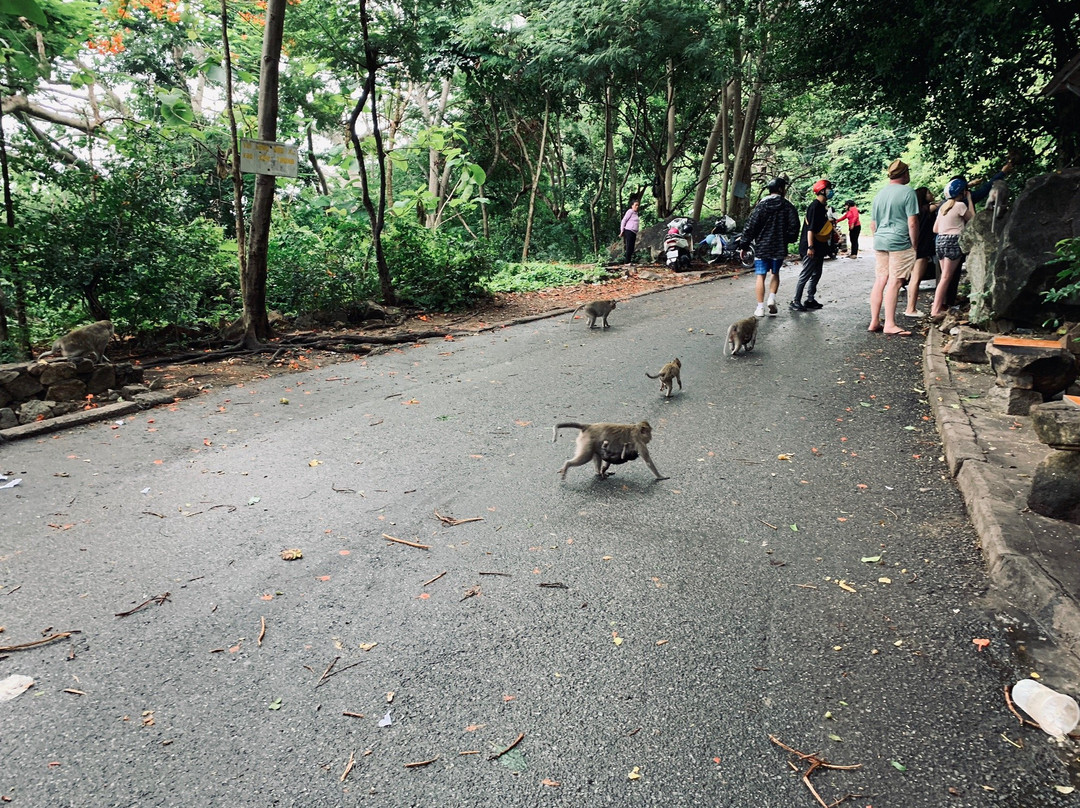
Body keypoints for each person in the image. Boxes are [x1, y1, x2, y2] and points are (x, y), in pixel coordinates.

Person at [868, 159, 919, 336]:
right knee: (895, 281)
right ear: (904, 174)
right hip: (900, 241)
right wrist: (914, 244)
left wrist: (879, 239)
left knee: (880, 279)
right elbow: (912, 222)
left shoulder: (879, 195)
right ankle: (889, 324)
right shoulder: (908, 193)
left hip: (881, 241)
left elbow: (873, 225)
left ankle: (874, 320)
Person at [739, 177, 800, 317]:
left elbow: (750, 226)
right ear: (780, 189)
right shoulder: (788, 206)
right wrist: (788, 239)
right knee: (775, 273)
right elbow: (794, 225)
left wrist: (744, 245)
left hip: (762, 247)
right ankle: (771, 298)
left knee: (760, 276)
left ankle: (760, 308)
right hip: (779, 246)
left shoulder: (761, 206)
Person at [930, 178, 974, 321]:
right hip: (953, 241)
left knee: (944, 276)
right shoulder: (960, 205)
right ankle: (935, 309)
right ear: (961, 192)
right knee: (946, 277)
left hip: (940, 242)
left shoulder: (942, 207)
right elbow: (973, 219)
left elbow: (935, 229)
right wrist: (970, 199)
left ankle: (938, 306)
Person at [791, 179, 833, 311]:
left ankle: (810, 299)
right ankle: (795, 301)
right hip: (811, 246)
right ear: (822, 190)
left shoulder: (823, 207)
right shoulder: (814, 206)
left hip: (819, 246)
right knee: (806, 274)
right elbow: (810, 229)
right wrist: (810, 247)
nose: (831, 191)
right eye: (828, 188)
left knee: (817, 273)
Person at [904, 186, 938, 318]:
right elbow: (946, 201)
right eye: (929, 192)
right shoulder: (927, 209)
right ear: (923, 196)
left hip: (911, 246)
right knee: (915, 279)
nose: (932, 194)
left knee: (911, 278)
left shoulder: (914, 211)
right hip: (922, 247)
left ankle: (909, 307)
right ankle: (910, 309)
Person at [620, 199, 640, 264]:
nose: (637, 206)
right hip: (629, 230)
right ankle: (627, 262)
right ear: (632, 206)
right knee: (629, 246)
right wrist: (622, 230)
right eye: (635, 205)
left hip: (634, 232)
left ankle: (629, 261)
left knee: (632, 247)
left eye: (638, 205)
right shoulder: (630, 211)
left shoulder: (636, 213)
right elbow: (624, 220)